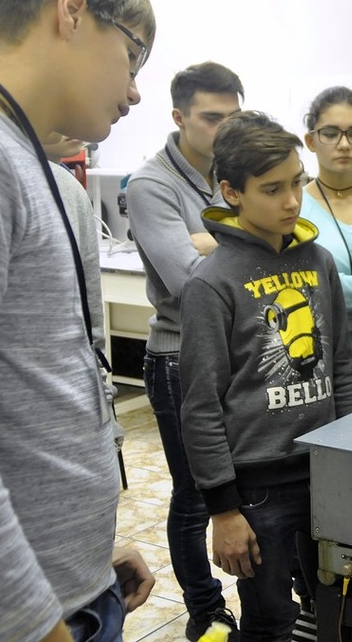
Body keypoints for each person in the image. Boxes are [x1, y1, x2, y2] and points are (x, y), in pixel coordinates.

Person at [0, 0, 156, 642]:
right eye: (132, 56)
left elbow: (47, 387)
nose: (135, 89)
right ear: (71, 13)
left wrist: (88, 556)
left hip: (72, 583)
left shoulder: (40, 174)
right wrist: (28, 623)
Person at [180, 110, 352, 641]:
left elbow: (341, 368)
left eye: (297, 183)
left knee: (343, 609)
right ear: (232, 193)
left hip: (325, 471)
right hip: (257, 489)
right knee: (271, 619)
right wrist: (223, 511)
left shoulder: (319, 262)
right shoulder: (211, 283)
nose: (291, 201)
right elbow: (201, 407)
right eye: (272, 189)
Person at [128, 61, 245, 640]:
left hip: (237, 349)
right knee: (196, 496)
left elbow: (272, 246)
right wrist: (239, 238)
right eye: (212, 118)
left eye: (234, 117)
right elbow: (186, 282)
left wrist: (208, 239)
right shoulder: (150, 185)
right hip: (177, 355)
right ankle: (204, 609)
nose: (226, 130)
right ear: (179, 116)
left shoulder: (234, 170)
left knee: (241, 486)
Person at [301, 86, 352, 387]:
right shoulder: (294, 209)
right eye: (331, 133)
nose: (344, 144)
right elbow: (310, 290)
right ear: (311, 141)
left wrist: (333, 285)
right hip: (320, 374)